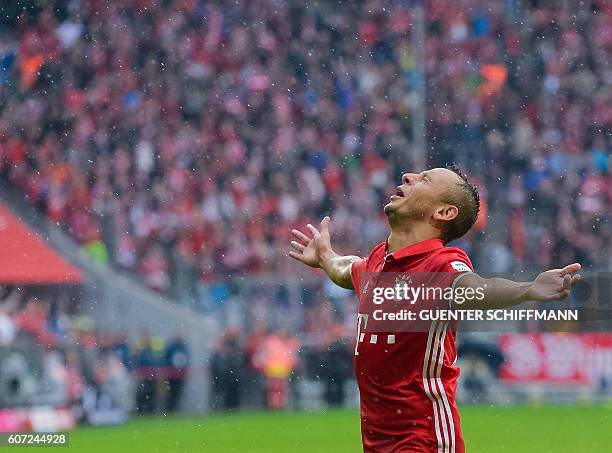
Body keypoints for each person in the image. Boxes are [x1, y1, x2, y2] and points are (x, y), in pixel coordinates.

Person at [289, 164, 582, 453]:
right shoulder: (380, 260)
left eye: (424, 179)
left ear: (443, 213)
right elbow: (348, 270)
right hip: (379, 443)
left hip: (425, 440)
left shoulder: (440, 264)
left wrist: (527, 290)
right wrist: (326, 257)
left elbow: (472, 288)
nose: (408, 176)